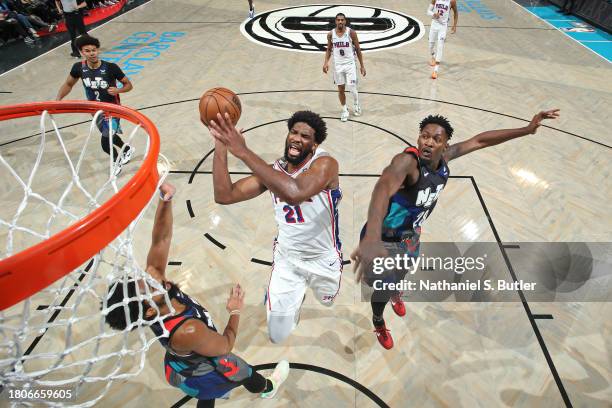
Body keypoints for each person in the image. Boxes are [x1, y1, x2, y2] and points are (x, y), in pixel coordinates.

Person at [351, 109, 560, 349]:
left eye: (436, 139)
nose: (428, 142)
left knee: (402, 272)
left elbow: (480, 140)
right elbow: (382, 189)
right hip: (383, 239)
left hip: (410, 234)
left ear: (445, 144)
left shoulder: (445, 157)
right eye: (424, 136)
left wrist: (527, 129)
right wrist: (371, 236)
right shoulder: (407, 162)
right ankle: (378, 320)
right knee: (382, 288)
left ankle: (396, 290)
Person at [103, 182, 290, 408]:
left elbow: (161, 239)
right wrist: (236, 310)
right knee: (242, 371)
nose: (150, 276)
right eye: (148, 286)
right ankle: (267, 388)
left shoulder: (155, 297)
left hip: (181, 362)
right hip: (199, 372)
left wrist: (165, 200)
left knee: (207, 397)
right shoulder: (187, 330)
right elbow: (225, 345)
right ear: (150, 309)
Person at [209, 110, 343, 344]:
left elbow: (295, 194)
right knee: (277, 335)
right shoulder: (273, 172)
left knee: (327, 300)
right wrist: (221, 147)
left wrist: (241, 150)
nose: (297, 138)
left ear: (314, 145)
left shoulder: (326, 164)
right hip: (287, 257)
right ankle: (292, 297)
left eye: (305, 136)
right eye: (293, 132)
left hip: (322, 257)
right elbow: (224, 195)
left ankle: (300, 294)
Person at [56, 34, 134, 175]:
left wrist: (119, 90)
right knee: (109, 136)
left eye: (94, 50)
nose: (91, 53)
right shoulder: (78, 68)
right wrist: (58, 100)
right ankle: (127, 149)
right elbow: (68, 84)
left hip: (113, 110)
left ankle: (116, 162)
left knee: (105, 142)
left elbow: (129, 85)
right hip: (95, 111)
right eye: (87, 50)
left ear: (98, 50)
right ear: (81, 52)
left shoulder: (111, 68)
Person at [323, 13, 366, 122]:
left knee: (352, 87)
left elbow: (358, 49)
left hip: (350, 64)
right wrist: (325, 62)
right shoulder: (330, 34)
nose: (340, 22)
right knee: (340, 89)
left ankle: (356, 104)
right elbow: (329, 49)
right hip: (338, 65)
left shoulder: (351, 33)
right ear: (335, 21)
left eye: (342, 20)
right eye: (338, 20)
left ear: (345, 21)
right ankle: (344, 110)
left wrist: (362, 66)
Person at [427, 0, 458, 79]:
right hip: (434, 24)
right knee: (430, 45)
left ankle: (435, 71)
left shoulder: (452, 1)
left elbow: (456, 13)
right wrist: (434, 14)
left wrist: (454, 25)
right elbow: (428, 11)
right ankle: (433, 56)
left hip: (443, 27)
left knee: (440, 46)